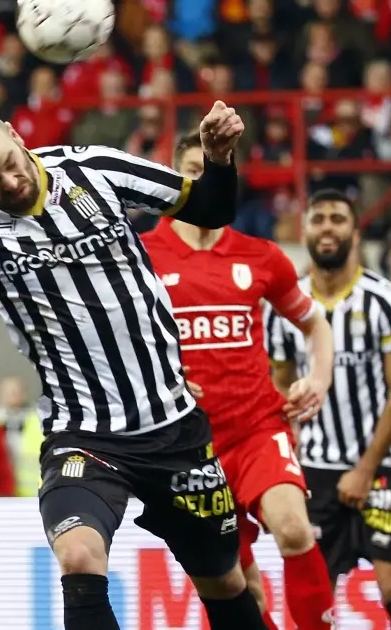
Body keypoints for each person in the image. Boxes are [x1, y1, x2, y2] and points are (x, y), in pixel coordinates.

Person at [0, 104, 273, 629]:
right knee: (79, 555)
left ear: (14, 133)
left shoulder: (94, 168)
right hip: (84, 435)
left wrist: (219, 159)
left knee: (224, 583)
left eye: (10, 164)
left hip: (173, 427)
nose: (10, 182)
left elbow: (209, 208)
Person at [141, 133, 337, 630]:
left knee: (293, 529)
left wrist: (318, 378)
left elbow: (315, 324)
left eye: (211, 170)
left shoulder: (259, 256)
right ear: (174, 180)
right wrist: (159, 379)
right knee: (239, 586)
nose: (202, 180)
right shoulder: (142, 256)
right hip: (187, 446)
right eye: (192, 170)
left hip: (256, 428)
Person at [266, 189, 391, 630]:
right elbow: (279, 383)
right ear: (305, 230)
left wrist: (364, 468)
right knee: (314, 593)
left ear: (355, 232)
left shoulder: (387, 300)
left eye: (337, 219)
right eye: (318, 219)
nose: (327, 228)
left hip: (381, 464)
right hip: (315, 467)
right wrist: (289, 449)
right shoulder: (283, 307)